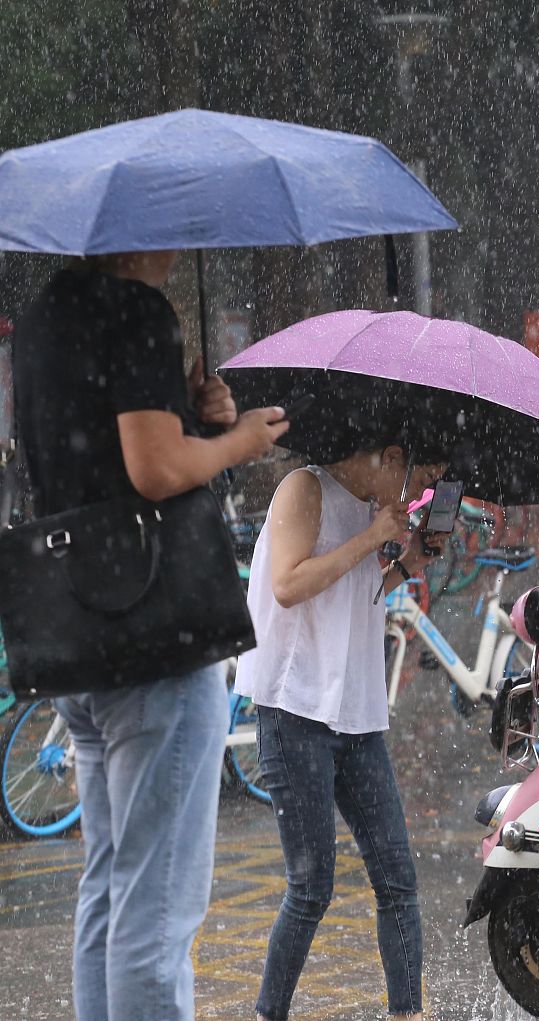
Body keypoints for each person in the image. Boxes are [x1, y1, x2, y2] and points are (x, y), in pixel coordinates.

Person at [11, 249, 289, 1021]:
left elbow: (95, 462)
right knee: (158, 907)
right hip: (155, 639)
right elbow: (155, 470)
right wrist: (241, 441)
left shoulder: (42, 316)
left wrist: (193, 418)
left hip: (78, 634)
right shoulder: (135, 312)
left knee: (110, 886)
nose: (178, 244)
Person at [234, 439, 450, 1021]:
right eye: (419, 478)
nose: (418, 494)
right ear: (391, 456)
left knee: (397, 878)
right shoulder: (304, 488)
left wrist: (406, 565)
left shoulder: (370, 511)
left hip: (355, 714)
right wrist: (370, 537)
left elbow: (351, 595)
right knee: (311, 887)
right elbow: (288, 585)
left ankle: (408, 1012)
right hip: (295, 710)